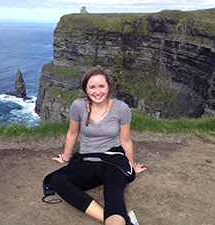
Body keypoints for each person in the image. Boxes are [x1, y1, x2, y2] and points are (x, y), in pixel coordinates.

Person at [47, 66, 146, 225]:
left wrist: (132, 166)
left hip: (114, 161)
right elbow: (72, 133)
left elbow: (126, 140)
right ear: (85, 89)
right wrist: (65, 158)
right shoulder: (78, 106)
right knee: (57, 179)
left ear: (109, 87)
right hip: (87, 161)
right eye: (92, 87)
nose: (97, 91)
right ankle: (124, 222)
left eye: (102, 86)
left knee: (113, 194)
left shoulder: (121, 108)